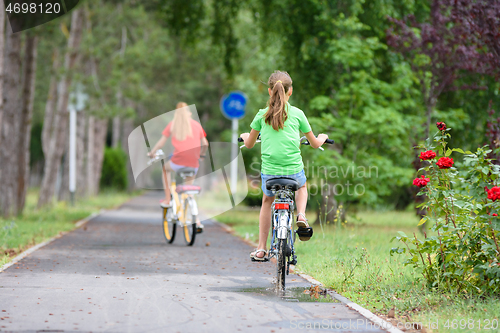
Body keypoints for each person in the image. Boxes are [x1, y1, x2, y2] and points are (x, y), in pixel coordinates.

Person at [240, 71, 328, 261]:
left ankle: (262, 248)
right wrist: (322, 138)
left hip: (270, 173)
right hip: (293, 171)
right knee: (302, 187)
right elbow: (314, 143)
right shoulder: (297, 113)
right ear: (290, 92)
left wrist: (246, 137)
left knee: (266, 201)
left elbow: (248, 144)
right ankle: (302, 215)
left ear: (270, 91)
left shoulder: (262, 115)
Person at [148, 102, 209, 220]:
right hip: (194, 162)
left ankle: (167, 199)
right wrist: (202, 155)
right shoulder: (196, 125)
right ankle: (196, 221)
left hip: (178, 161)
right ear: (189, 113)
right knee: (189, 191)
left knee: (165, 169)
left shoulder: (172, 124)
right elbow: (205, 144)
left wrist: (152, 153)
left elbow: (161, 143)